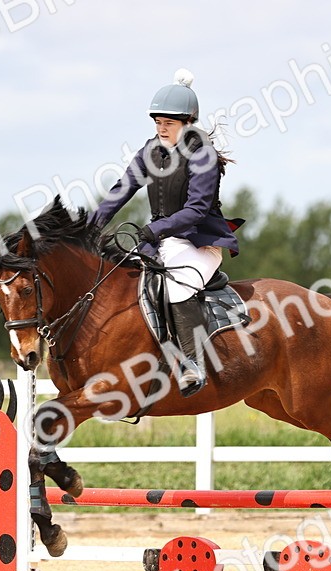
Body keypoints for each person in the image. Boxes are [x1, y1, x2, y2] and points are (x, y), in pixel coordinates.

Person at [89, 69, 240, 397]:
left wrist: (153, 229)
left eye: (168, 123)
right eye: (158, 122)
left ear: (188, 122)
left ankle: (192, 363)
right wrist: (89, 227)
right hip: (160, 241)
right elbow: (122, 189)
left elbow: (196, 210)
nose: (161, 129)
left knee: (176, 282)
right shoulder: (151, 151)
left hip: (198, 242)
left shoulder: (202, 156)